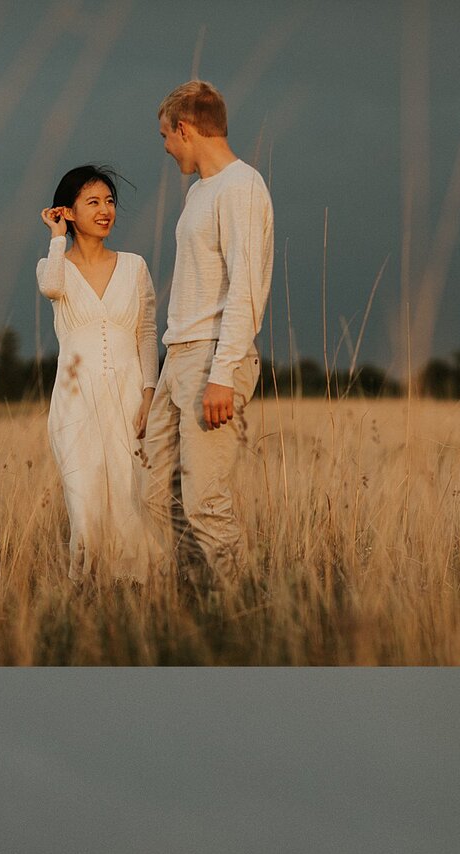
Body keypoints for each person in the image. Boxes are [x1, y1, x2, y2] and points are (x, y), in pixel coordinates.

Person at [141, 81, 274, 591]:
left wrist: (222, 375)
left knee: (205, 503)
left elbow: (245, 287)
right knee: (155, 493)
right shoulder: (201, 191)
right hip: (178, 357)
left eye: (166, 137)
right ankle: (199, 598)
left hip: (215, 359)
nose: (167, 148)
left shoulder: (242, 186)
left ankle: (245, 611)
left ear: (185, 129)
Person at [37, 166, 158, 583]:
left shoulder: (135, 267)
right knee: (84, 501)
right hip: (76, 402)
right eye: (92, 202)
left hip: (128, 397)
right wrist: (56, 238)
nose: (105, 210)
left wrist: (149, 392)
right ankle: (87, 591)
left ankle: (136, 592)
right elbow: (52, 288)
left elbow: (145, 332)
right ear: (68, 212)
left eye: (109, 202)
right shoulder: (54, 267)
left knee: (132, 497)